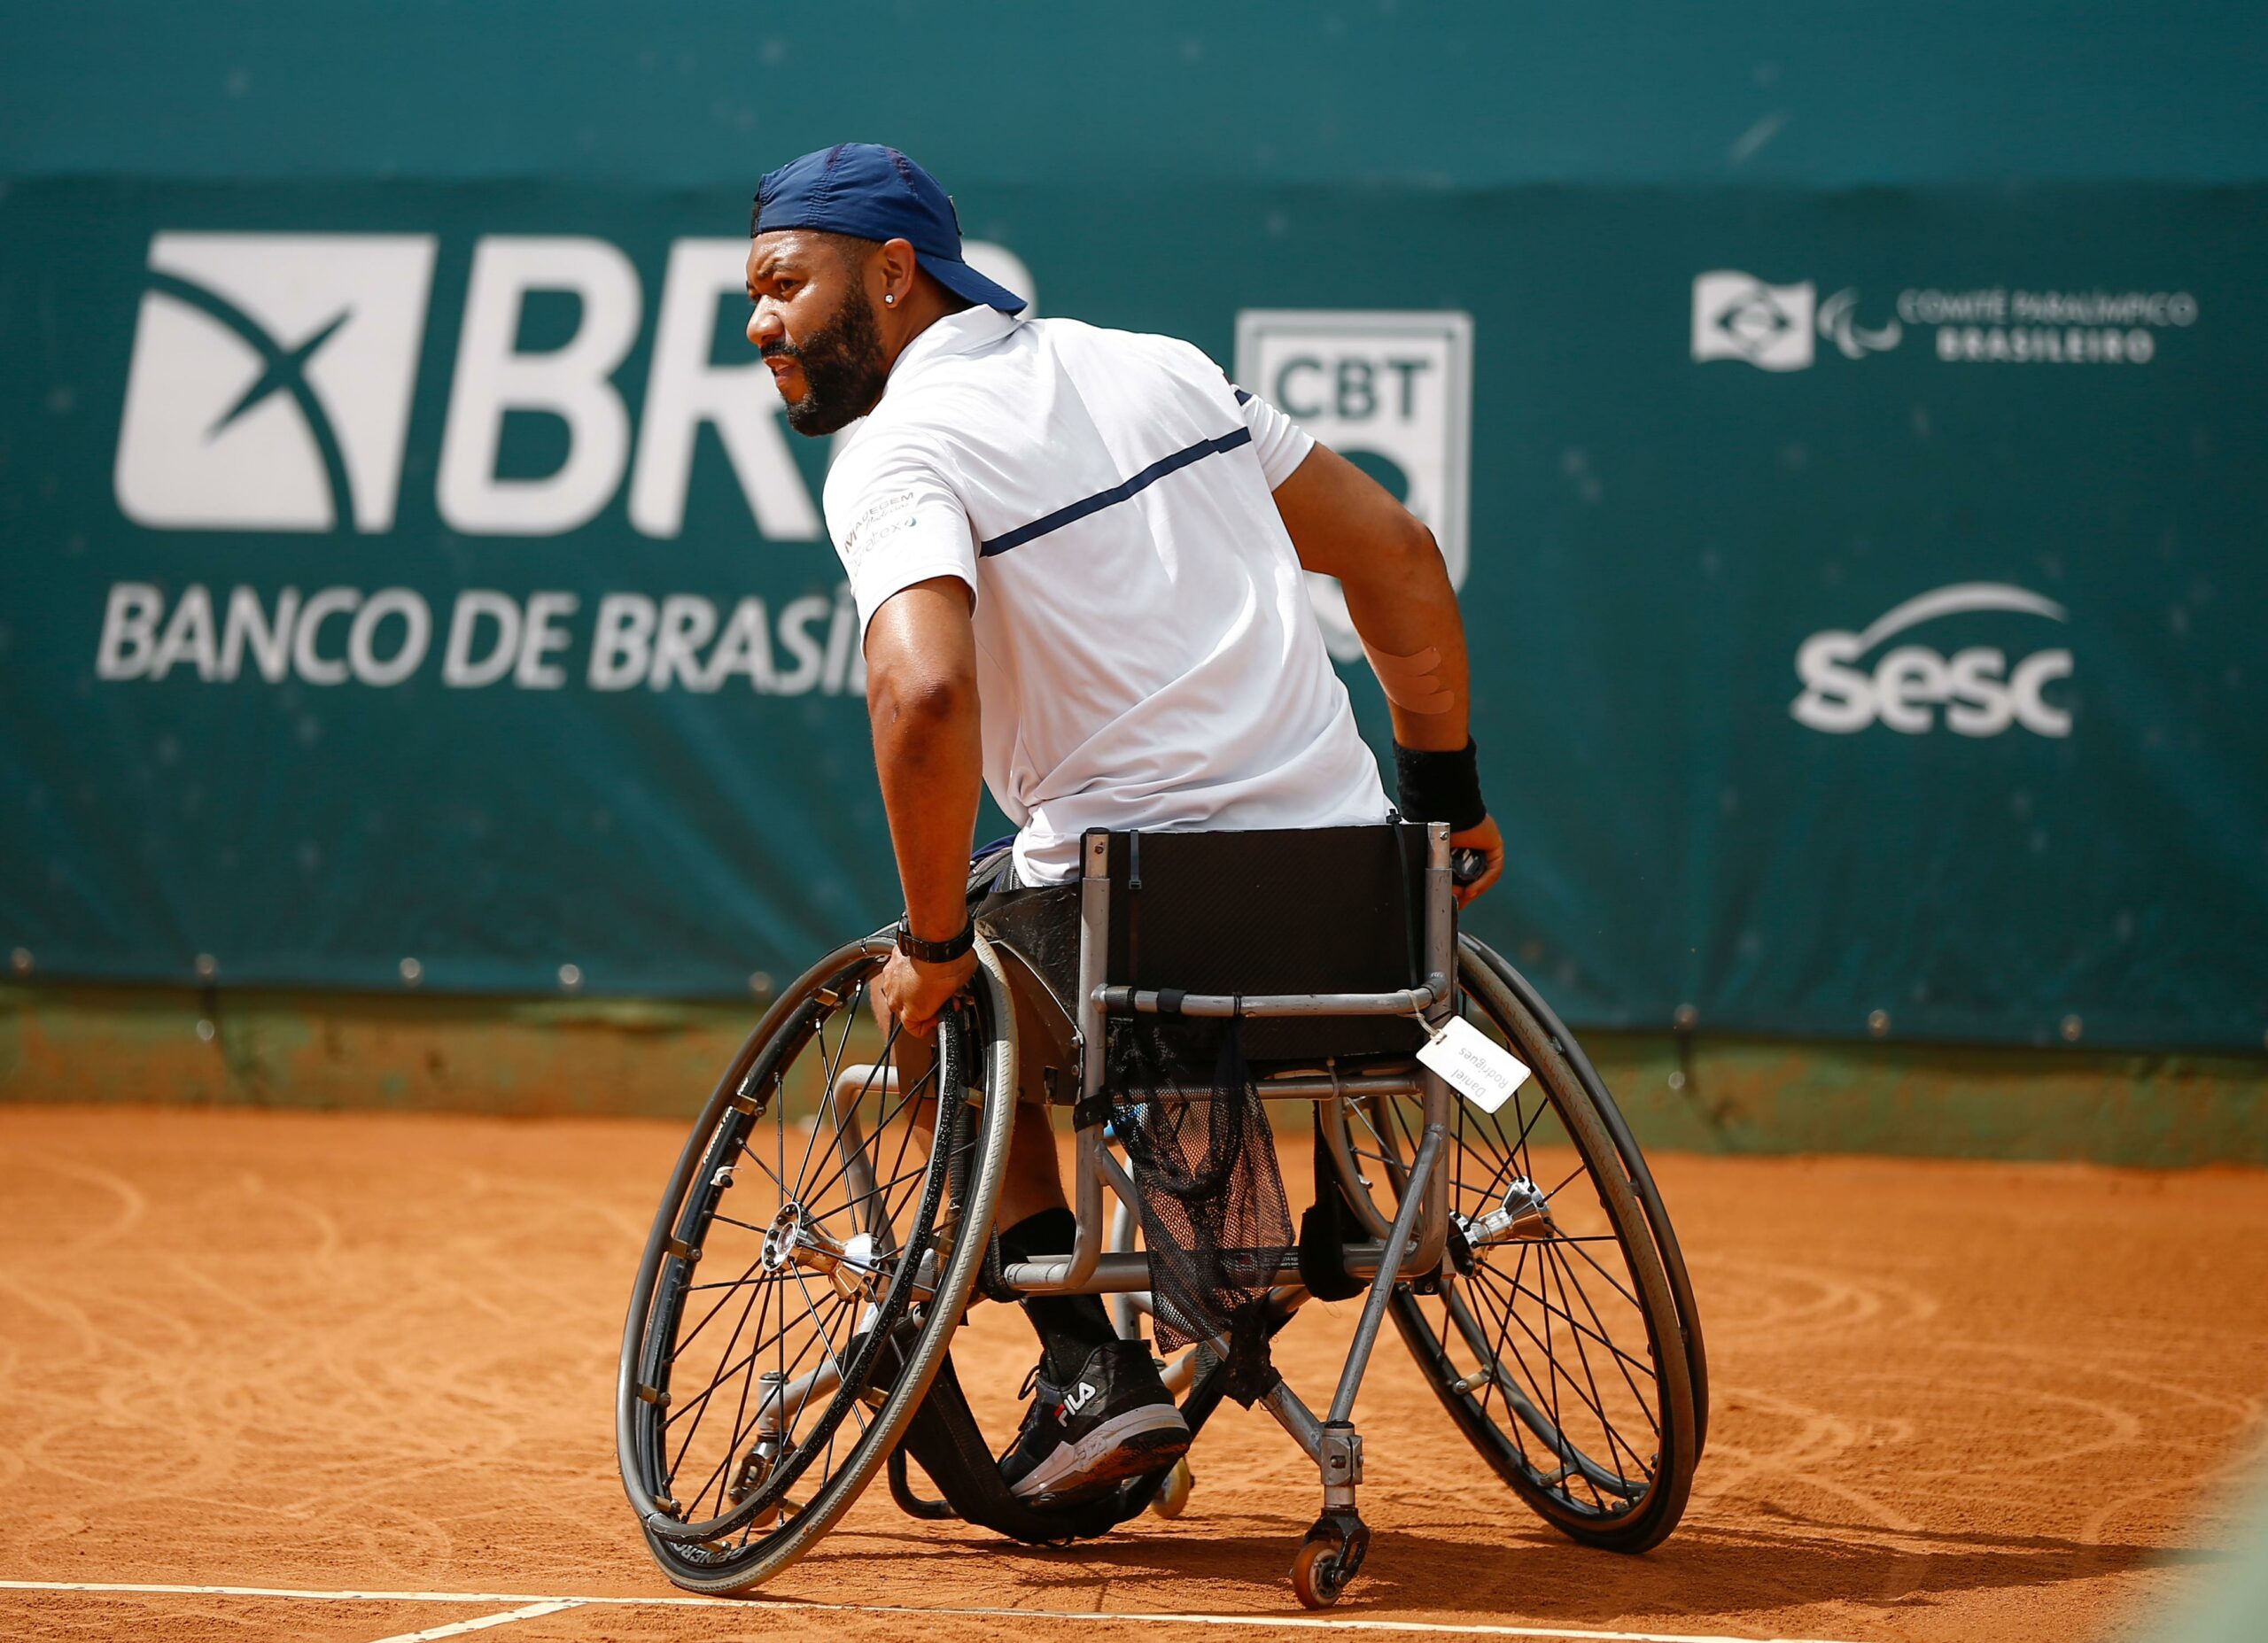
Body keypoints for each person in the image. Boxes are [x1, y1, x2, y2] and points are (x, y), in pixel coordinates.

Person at [746, 143, 1503, 1504]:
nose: (759, 324)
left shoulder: (898, 451)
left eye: (784, 284)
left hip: (1134, 944)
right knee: (1261, 924)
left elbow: (922, 693)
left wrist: (927, 945)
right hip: (1371, 920)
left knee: (944, 994)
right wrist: (1447, 801)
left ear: (896, 275)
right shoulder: (1164, 368)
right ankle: (1343, 1203)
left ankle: (1089, 1366)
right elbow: (1397, 553)